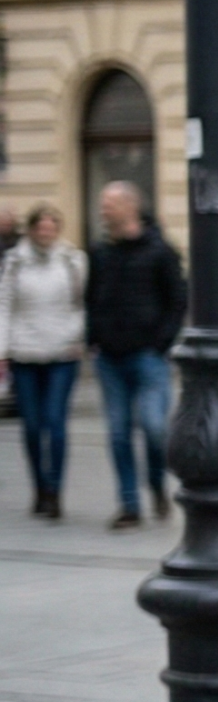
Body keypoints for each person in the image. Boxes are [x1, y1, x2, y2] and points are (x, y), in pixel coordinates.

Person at [86, 182, 186, 530]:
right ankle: (129, 504)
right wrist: (93, 337)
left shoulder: (160, 251)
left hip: (148, 356)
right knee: (118, 433)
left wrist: (160, 344)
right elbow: (91, 298)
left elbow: (177, 301)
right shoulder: (100, 252)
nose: (103, 211)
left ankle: (157, 485)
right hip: (109, 358)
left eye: (109, 204)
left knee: (155, 428)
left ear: (130, 207)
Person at [0, 204, 85, 521]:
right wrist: (2, 350)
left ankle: (54, 491)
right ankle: (38, 486)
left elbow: (81, 304)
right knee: (32, 427)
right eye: (41, 227)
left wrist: (79, 337)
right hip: (25, 354)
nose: (46, 233)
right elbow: (4, 305)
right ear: (32, 230)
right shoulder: (15, 262)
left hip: (63, 353)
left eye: (52, 227)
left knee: (56, 423)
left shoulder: (73, 260)